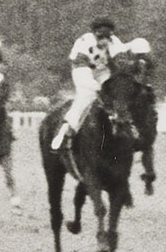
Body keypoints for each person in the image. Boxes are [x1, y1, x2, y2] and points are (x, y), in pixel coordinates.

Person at [49, 17, 119, 152]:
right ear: (95, 33)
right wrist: (96, 86)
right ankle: (64, 133)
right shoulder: (83, 42)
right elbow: (81, 68)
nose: (104, 40)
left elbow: (119, 64)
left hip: (103, 72)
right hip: (83, 71)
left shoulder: (115, 42)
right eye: (101, 36)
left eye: (107, 35)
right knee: (86, 97)